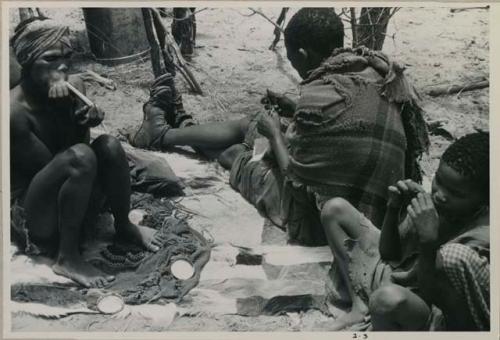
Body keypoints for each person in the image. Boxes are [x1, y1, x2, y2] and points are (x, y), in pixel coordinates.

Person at [131, 8, 429, 245]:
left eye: (292, 60)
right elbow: (350, 123)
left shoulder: (319, 98)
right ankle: (172, 131)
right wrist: (293, 108)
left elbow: (297, 180)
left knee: (234, 153)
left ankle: (165, 133)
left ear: (302, 55)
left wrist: (275, 134)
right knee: (252, 128)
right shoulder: (376, 71)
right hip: (380, 210)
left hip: (328, 221)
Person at [10, 17, 164, 288]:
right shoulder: (12, 113)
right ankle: (67, 257)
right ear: (27, 62)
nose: (62, 66)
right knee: (80, 156)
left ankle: (124, 225)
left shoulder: (75, 85)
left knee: (109, 145)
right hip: (35, 213)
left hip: (71, 191)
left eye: (68, 57)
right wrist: (65, 115)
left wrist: (84, 120)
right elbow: (56, 166)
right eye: (50, 59)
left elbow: (84, 155)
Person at [319, 132, 489, 330]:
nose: (440, 195)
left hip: (429, 308)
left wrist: (428, 242)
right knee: (335, 209)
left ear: (484, 200)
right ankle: (360, 306)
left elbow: (435, 298)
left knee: (387, 300)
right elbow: (389, 253)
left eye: (456, 194)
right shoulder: (438, 206)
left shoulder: (479, 239)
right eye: (439, 181)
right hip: (401, 277)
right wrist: (394, 209)